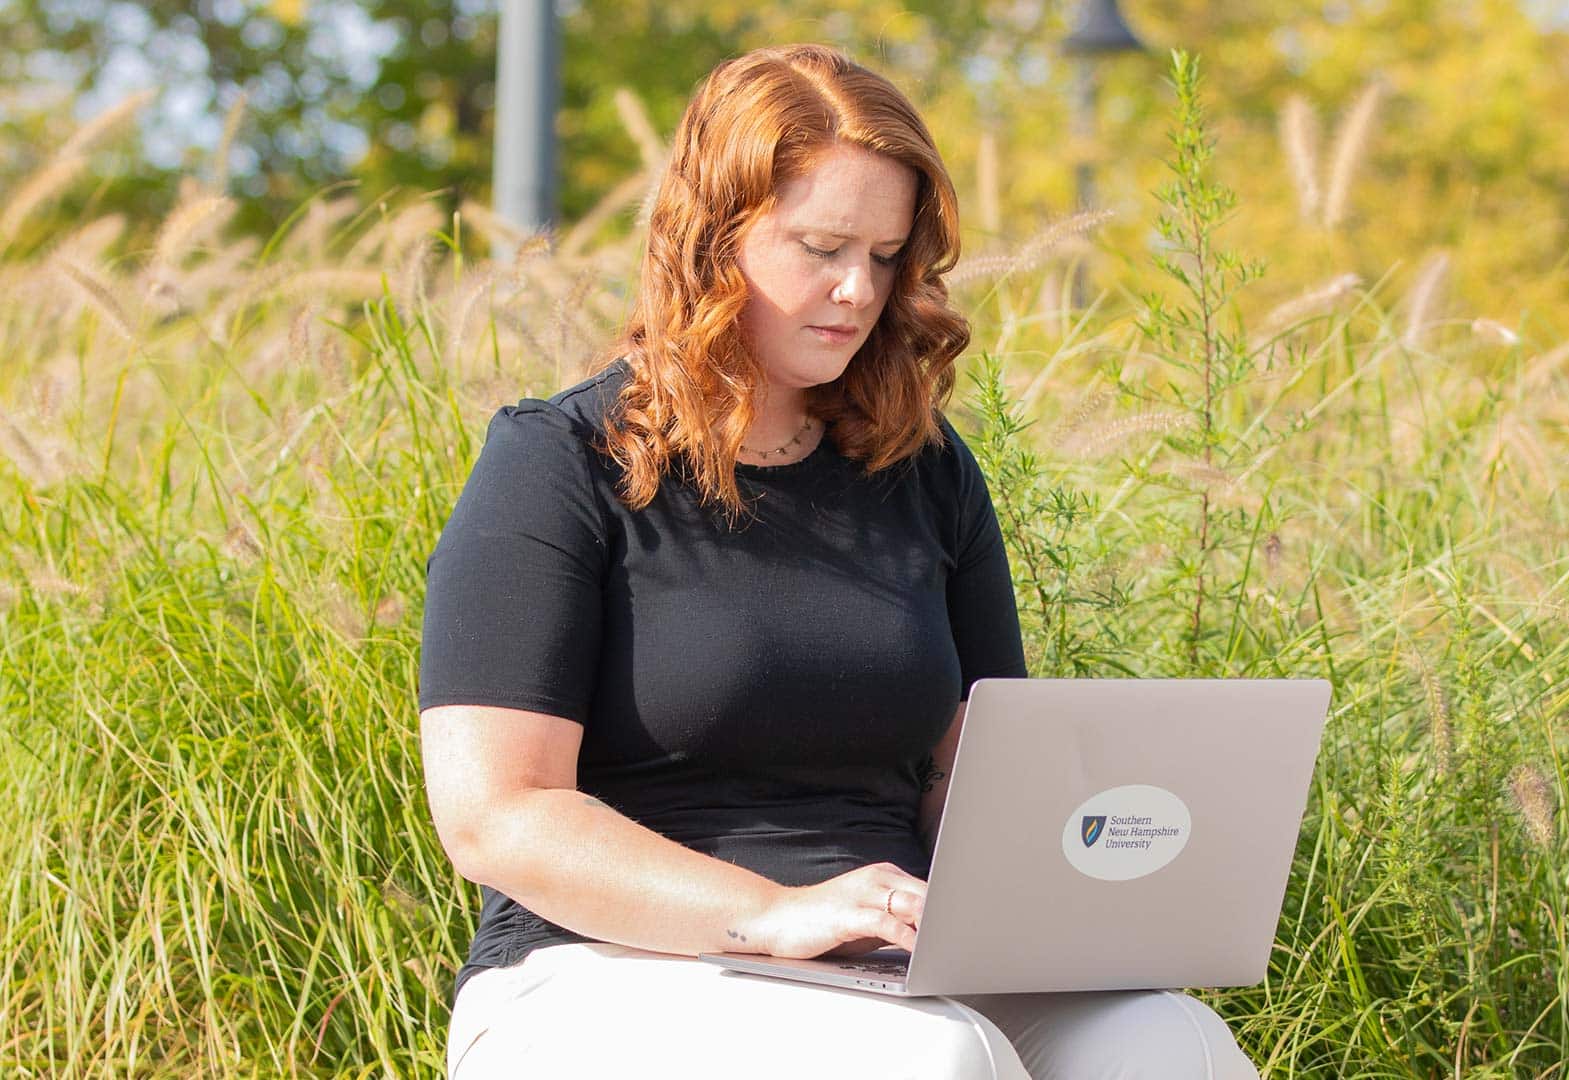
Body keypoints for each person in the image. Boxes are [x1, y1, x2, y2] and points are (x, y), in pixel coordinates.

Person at [417, 43, 1261, 1079]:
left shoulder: (925, 471)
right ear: (711, 240)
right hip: (603, 964)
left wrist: (1105, 860)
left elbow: (972, 778)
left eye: (887, 254)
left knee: (1172, 1045)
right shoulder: (560, 460)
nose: (858, 290)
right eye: (820, 247)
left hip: (890, 959)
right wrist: (771, 914)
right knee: (937, 1060)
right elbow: (497, 815)